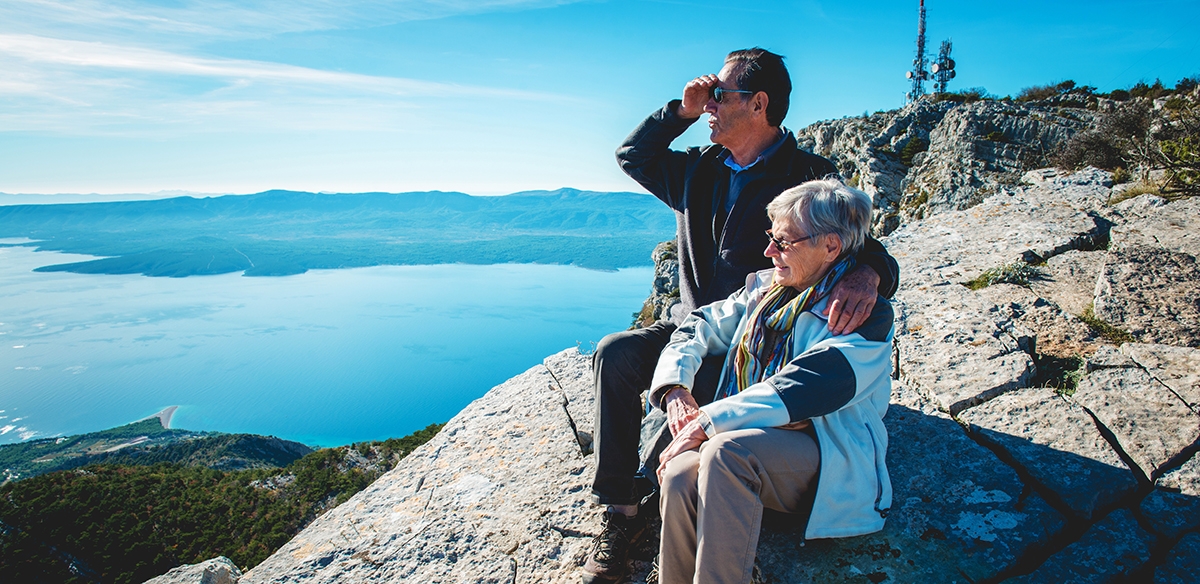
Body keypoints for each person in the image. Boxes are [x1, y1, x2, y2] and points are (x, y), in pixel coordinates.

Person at [582, 48, 899, 584]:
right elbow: (632, 155)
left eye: (719, 95)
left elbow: (856, 244)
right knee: (616, 354)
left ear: (758, 103)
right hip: (710, 321)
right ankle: (621, 510)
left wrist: (868, 276)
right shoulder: (697, 170)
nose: (708, 103)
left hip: (765, 344)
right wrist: (678, 113)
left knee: (702, 432)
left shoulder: (810, 178)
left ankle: (666, 495)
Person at [654, 178, 893, 584]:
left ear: (831, 247)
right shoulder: (766, 289)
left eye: (783, 242)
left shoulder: (863, 314)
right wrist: (674, 388)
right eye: (771, 237)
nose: (769, 251)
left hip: (824, 453)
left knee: (727, 453)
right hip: (752, 436)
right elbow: (698, 327)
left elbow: (806, 386)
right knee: (679, 474)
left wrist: (707, 422)